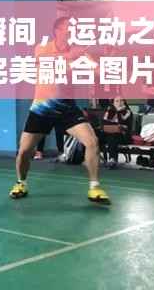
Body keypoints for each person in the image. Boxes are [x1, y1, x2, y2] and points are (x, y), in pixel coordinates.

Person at [9, 17, 110, 204]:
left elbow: (98, 72)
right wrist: (71, 57)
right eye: (68, 27)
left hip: (67, 108)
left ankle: (94, 187)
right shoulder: (43, 48)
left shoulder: (79, 52)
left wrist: (96, 62)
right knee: (24, 151)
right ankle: (21, 183)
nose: (72, 31)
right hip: (42, 108)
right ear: (57, 30)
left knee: (92, 142)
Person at [102, 97, 132, 169]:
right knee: (97, 134)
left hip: (123, 135)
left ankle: (112, 159)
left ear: (124, 102)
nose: (119, 103)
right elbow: (104, 122)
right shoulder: (109, 111)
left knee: (112, 136)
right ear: (113, 103)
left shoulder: (127, 112)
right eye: (117, 101)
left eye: (121, 101)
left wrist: (118, 112)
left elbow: (127, 126)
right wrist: (115, 111)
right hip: (107, 133)